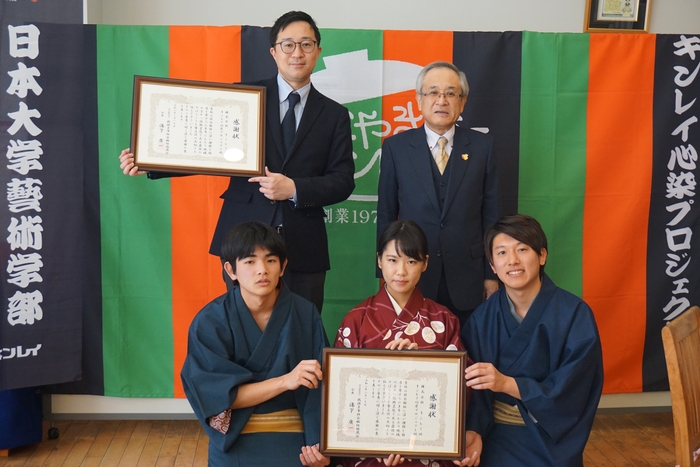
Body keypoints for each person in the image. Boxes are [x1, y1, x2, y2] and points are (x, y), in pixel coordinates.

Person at [120, 11, 355, 312]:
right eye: (288, 44)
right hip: (243, 236)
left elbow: (342, 180)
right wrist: (150, 161)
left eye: (306, 44)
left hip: (303, 244)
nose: (297, 53)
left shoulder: (334, 115)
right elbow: (205, 147)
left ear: (318, 51)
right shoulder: (244, 96)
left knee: (300, 329)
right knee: (242, 330)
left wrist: (294, 188)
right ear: (273, 51)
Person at [180, 221, 331, 466]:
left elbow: (321, 390)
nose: (262, 270)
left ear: (283, 266)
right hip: (236, 436)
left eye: (271, 260)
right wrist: (285, 381)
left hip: (296, 436)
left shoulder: (305, 314)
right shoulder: (210, 321)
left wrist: (318, 445)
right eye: (250, 262)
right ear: (231, 270)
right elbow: (217, 396)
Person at [334, 220, 481, 467]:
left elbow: (461, 388)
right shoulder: (356, 319)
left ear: (425, 263)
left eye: (411, 261)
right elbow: (340, 393)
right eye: (392, 260)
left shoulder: (443, 319)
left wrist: (423, 364)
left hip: (426, 446)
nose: (401, 271)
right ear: (379, 260)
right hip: (369, 446)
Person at [461, 214, 604, 467]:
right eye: (502, 252)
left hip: (549, 438)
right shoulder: (481, 320)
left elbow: (574, 390)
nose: (513, 260)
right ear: (492, 266)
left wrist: (506, 383)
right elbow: (474, 395)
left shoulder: (574, 315)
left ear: (542, 256)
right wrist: (475, 432)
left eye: (522, 249)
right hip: (495, 437)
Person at [377, 61, 500, 328]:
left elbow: (492, 215)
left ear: (462, 101)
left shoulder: (482, 147)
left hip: (468, 276)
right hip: (411, 273)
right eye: (432, 92)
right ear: (419, 100)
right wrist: (385, 272)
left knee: (468, 353)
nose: (441, 100)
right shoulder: (396, 148)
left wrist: (491, 274)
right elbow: (386, 214)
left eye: (450, 93)